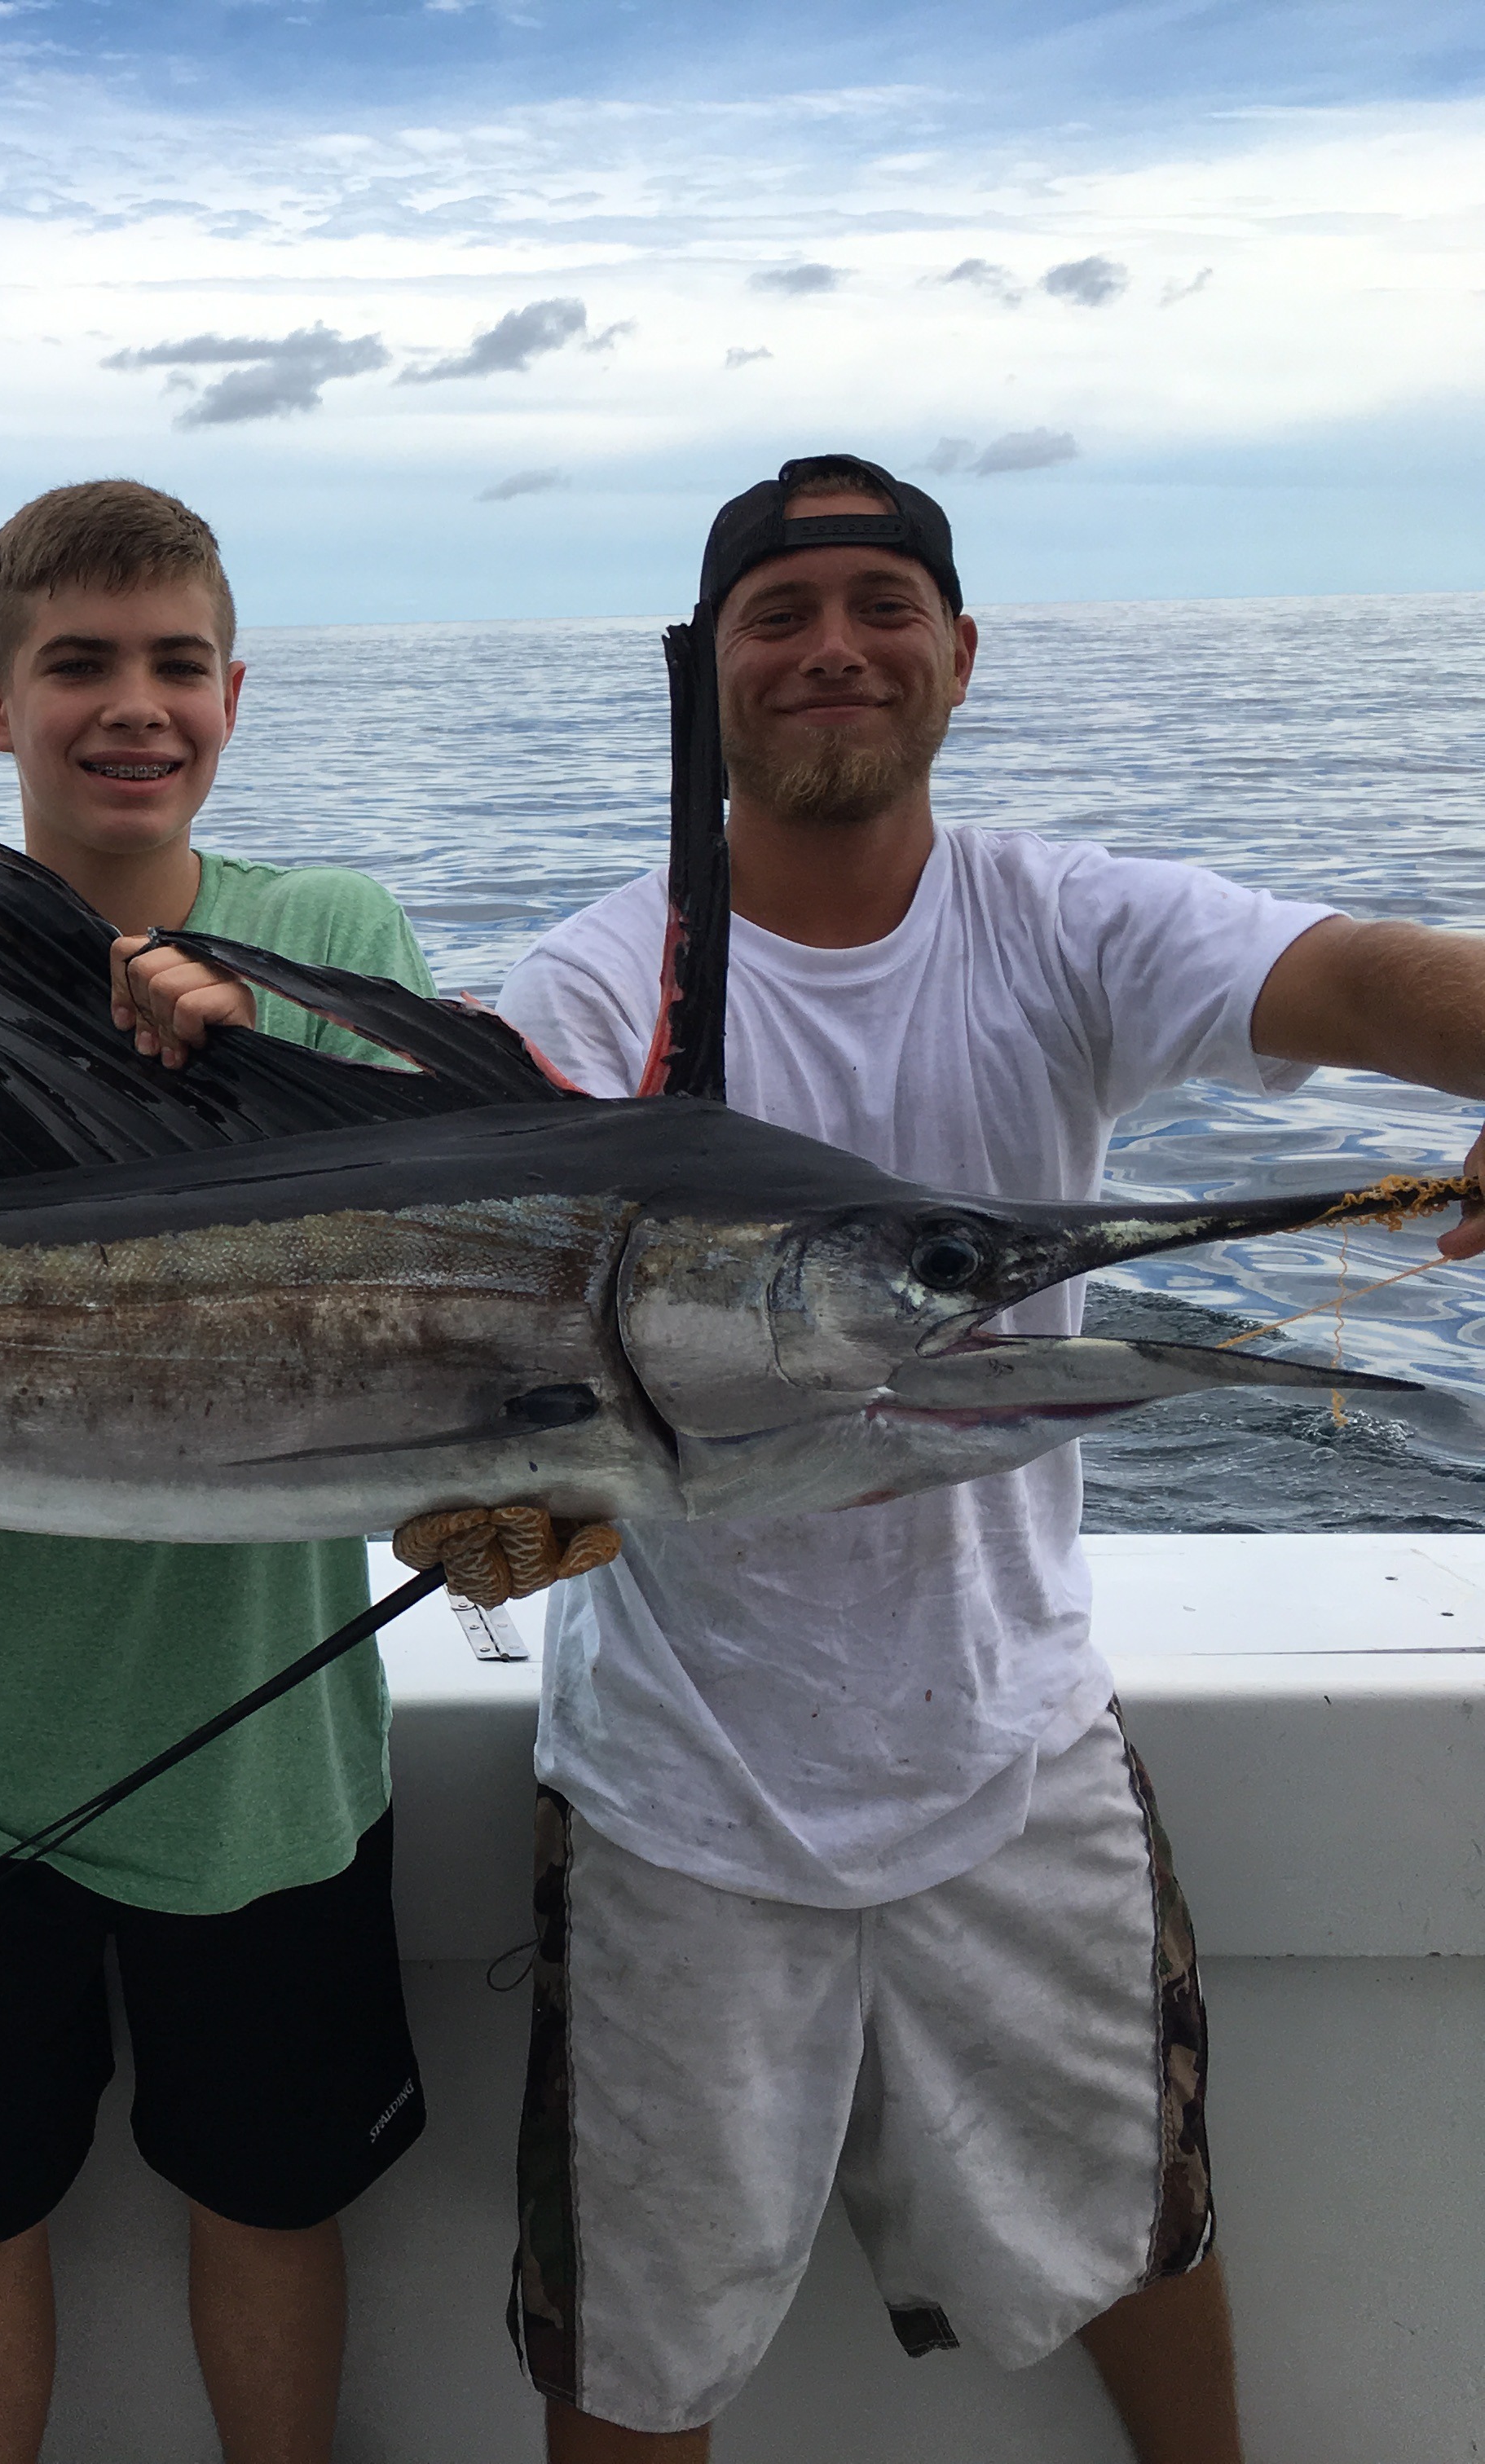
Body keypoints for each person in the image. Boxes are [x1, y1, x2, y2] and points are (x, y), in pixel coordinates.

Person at [489, 452, 1485, 2462]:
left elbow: (1373, 978)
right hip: (683, 1789)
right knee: (630, 2344)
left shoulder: (1064, 918)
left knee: (1152, 2230)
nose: (833, 649)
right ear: (708, 676)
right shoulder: (594, 990)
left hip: (1017, 1748)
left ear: (960, 652)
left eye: (881, 605)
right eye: (780, 616)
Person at [0, 477, 465, 2464]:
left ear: (236, 691)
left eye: (173, 664)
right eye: (78, 666)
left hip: (269, 1759)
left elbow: (441, 1252)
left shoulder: (336, 940)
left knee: (272, 2197)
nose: (130, 706)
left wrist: (253, 1053)